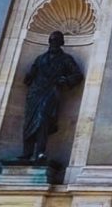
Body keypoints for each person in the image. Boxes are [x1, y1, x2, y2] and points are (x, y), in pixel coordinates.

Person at [19, 30, 83, 162]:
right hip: (35, 93)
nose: (54, 42)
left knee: (43, 120)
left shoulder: (66, 59)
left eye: (57, 40)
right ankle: (27, 153)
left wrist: (66, 80)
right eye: (52, 40)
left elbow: (78, 75)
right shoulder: (40, 58)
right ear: (49, 41)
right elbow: (32, 74)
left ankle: (40, 152)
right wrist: (28, 77)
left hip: (51, 92)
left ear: (61, 43)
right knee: (29, 122)